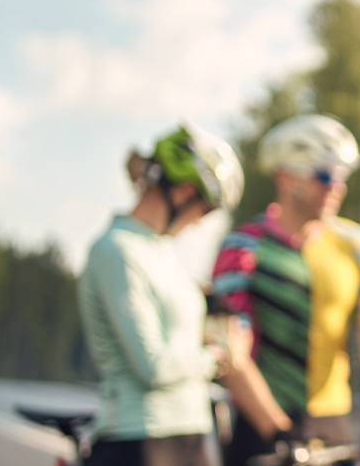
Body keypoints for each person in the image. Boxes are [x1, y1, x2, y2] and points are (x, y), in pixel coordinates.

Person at [210, 114, 360, 466]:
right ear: (286, 177)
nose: (338, 187)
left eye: (343, 178)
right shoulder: (242, 248)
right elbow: (229, 349)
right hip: (263, 425)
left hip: (334, 424)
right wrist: (277, 430)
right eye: (325, 176)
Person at [80, 122, 246, 466]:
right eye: (207, 209)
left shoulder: (161, 252)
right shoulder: (116, 250)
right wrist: (217, 357)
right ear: (184, 192)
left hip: (188, 435)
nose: (201, 223)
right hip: (140, 440)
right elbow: (151, 366)